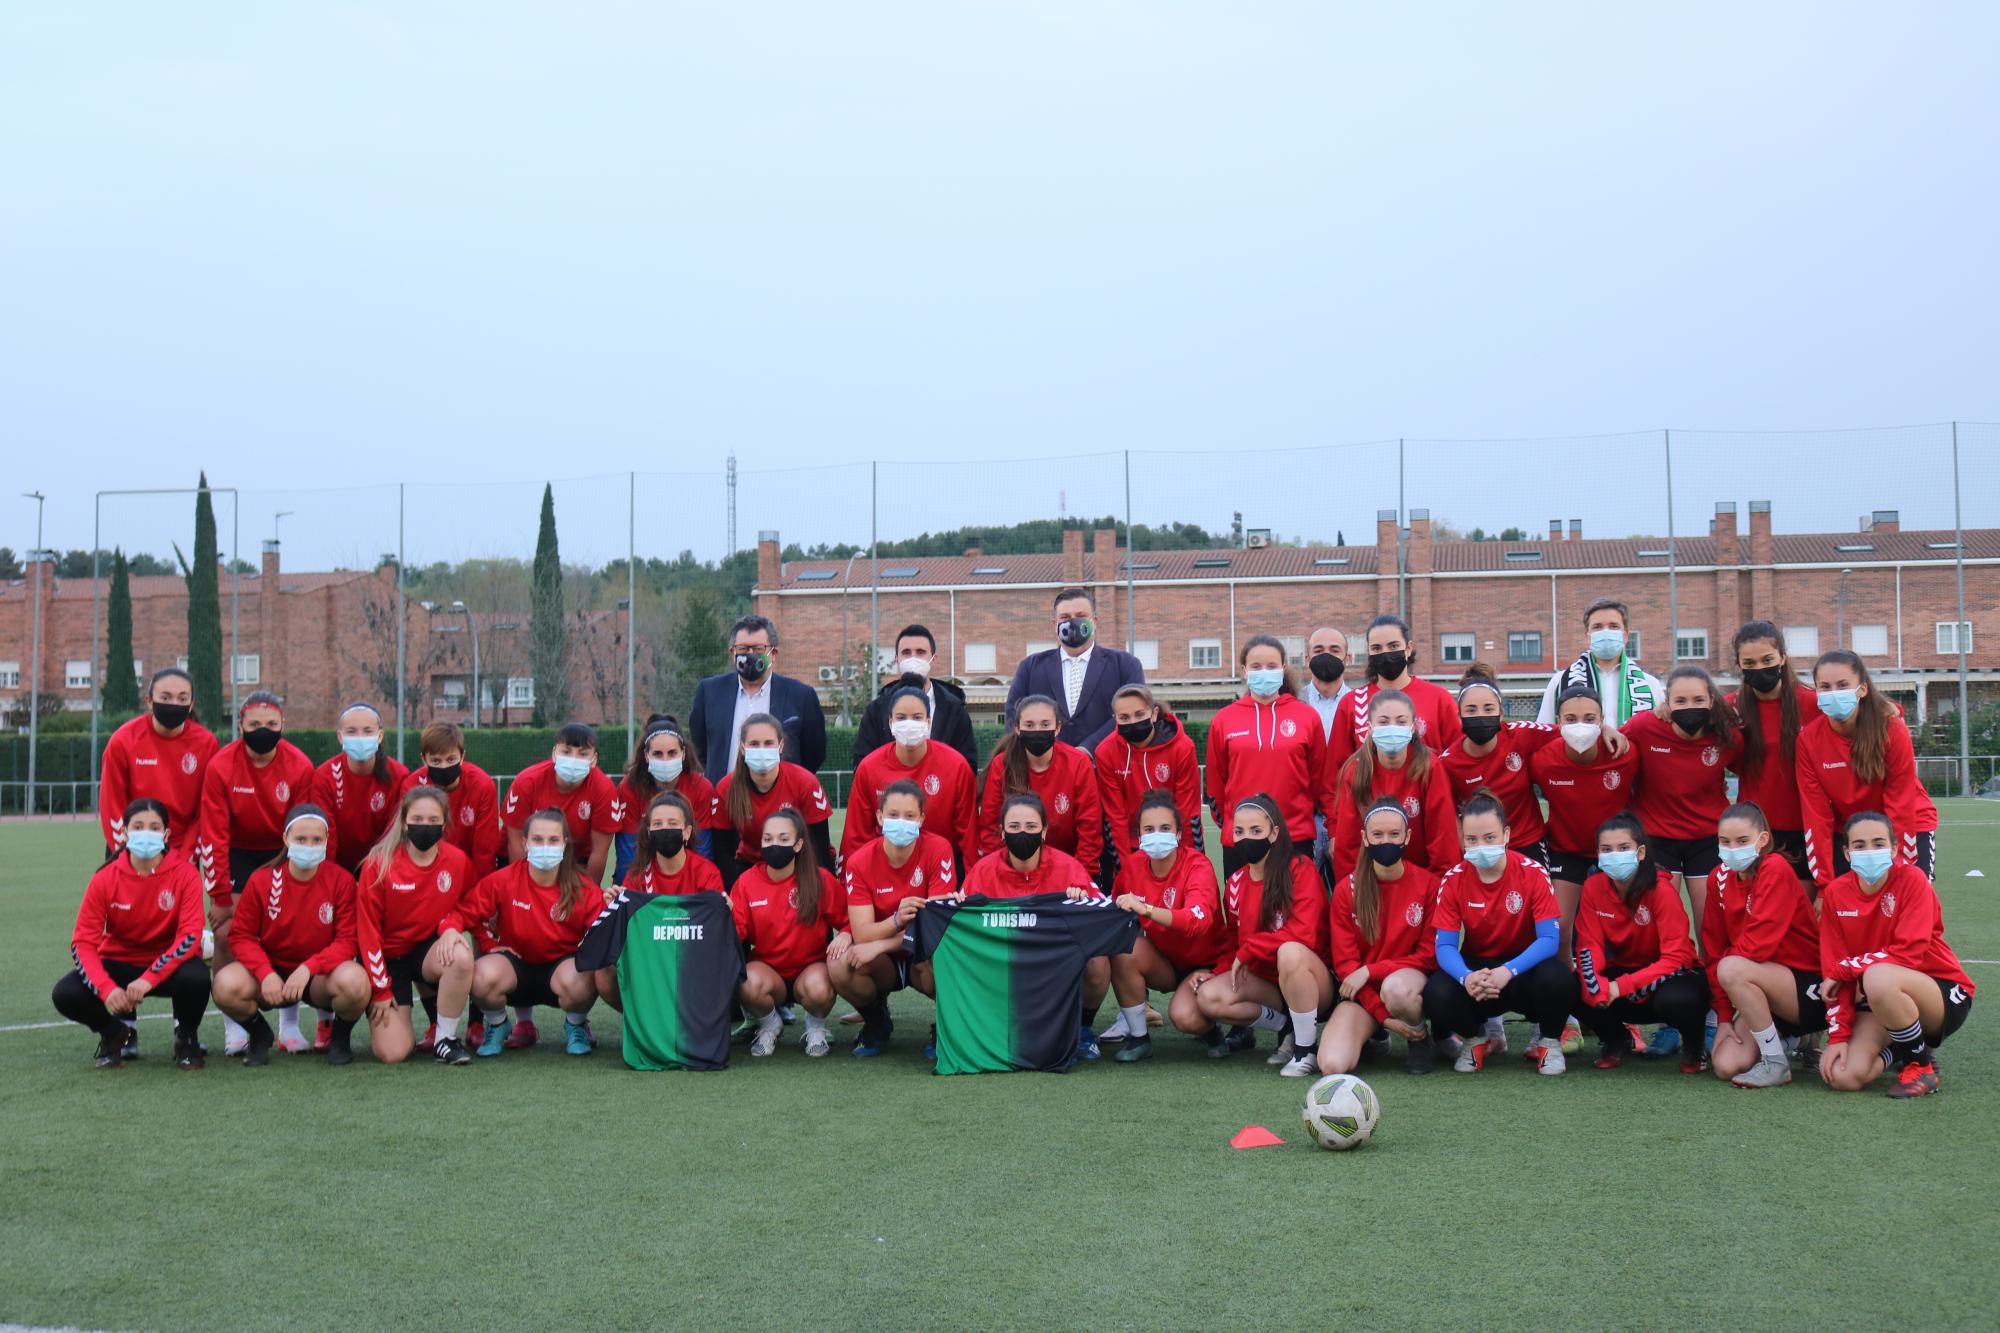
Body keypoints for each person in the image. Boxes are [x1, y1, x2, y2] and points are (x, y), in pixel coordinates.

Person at [1816, 812, 1975, 1099]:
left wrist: (1848, 968)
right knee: (1843, 1075)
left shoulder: (1913, 879)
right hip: (1882, 996)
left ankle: (1921, 1067)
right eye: (1860, 845)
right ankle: (1904, 1047)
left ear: (1894, 848)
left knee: (1877, 976)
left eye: (1878, 844)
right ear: (1847, 853)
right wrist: (1838, 1036)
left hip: (1940, 992)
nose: (1869, 851)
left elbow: (1908, 953)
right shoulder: (1836, 894)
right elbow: (1834, 971)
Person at [196, 691, 317, 1056]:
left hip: (283, 850)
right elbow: (214, 835)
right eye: (254, 724)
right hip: (237, 854)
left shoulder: (299, 766)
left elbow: (303, 825)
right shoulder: (221, 766)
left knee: (289, 931)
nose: (263, 729)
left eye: (271, 724)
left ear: (283, 725)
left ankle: (289, 1026)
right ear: (240, 725)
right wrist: (219, 896)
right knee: (225, 934)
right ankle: (235, 1027)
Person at [1422, 792, 1573, 1075]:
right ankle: (1475, 1039)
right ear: (1462, 839)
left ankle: (1549, 1043)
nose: (1480, 846)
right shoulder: (1454, 878)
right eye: (1472, 839)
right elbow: (1444, 946)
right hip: (1479, 972)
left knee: (1559, 979)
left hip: (1523, 970)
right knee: (1436, 992)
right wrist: (1466, 977)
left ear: (1506, 835)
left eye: (1489, 838)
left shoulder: (1533, 872)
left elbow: (1549, 940)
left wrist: (1508, 970)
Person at [52, 799, 208, 1070]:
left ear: (166, 835)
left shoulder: (186, 874)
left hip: (165, 967)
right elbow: (82, 942)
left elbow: (190, 937)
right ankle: (113, 1033)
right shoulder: (104, 877)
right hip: (119, 962)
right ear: (124, 833)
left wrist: (149, 978)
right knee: (66, 993)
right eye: (138, 827)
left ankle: (186, 1039)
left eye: (154, 827)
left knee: (197, 977)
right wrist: (107, 988)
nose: (146, 833)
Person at [211, 806, 370, 1067]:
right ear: (286, 839)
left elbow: (348, 941)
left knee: (356, 983)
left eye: (317, 840)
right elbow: (241, 935)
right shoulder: (262, 880)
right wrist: (265, 973)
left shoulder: (341, 880)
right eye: (301, 839)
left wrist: (309, 968)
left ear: (327, 841)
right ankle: (260, 1034)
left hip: (317, 978)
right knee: (224, 985)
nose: (309, 846)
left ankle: (340, 1039)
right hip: (272, 975)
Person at [1194, 795, 1332, 1077]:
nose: (1247, 838)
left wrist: (1250, 949)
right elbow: (1233, 942)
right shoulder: (1235, 883)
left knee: (1290, 952)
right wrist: (1217, 971)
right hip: (1267, 984)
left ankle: (1306, 1049)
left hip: (1314, 982)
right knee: (1209, 997)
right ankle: (1285, 1025)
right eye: (1239, 831)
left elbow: (1304, 935)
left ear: (1274, 833)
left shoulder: (1300, 869)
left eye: (1256, 830)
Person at [961, 794, 1105, 1057]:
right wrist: (958, 905)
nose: (1022, 833)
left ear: (1044, 831)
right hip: (1001, 964)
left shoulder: (1068, 868)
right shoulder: (982, 871)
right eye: (1014, 827)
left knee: (1098, 963)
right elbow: (959, 923)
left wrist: (1082, 902)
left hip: (1054, 965)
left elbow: (1102, 914)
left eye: (1031, 826)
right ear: (1002, 831)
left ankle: (1083, 1028)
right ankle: (976, 1026)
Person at [1094, 792, 1231, 1062]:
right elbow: (1114, 909)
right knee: (1124, 950)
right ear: (1139, 836)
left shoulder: (1197, 865)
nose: (1157, 835)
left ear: (1179, 834)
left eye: (1165, 828)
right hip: (1165, 961)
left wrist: (1146, 909)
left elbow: (1197, 921)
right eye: (1149, 829)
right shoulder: (1133, 866)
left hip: (1209, 963)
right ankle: (1139, 1038)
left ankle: (1211, 1028)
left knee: (1185, 1018)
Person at [1319, 800, 1451, 1077]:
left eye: (1394, 834)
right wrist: (1383, 1017)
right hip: (1364, 995)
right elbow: (1346, 966)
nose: (1386, 841)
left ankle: (1418, 1036)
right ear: (1365, 837)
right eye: (1377, 835)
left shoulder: (1429, 885)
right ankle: (1378, 1035)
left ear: (1407, 837)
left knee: (1395, 989)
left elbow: (1429, 956)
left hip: (1406, 985)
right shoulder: (1346, 890)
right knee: (1332, 1064)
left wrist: (1371, 970)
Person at [1571, 814, 1708, 1073]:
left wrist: (1620, 986)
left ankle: (1694, 1045)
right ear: (1598, 854)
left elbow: (1677, 957)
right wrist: (1597, 986)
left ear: (1641, 852)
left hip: (1670, 977)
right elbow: (1589, 946)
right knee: (1572, 987)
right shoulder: (1592, 887)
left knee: (1680, 998)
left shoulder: (1661, 890)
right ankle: (1615, 1039)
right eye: (1606, 849)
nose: (1615, 855)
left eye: (1623, 847)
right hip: (1623, 972)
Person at [831, 780, 959, 1057]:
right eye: (893, 815)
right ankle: (876, 1021)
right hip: (884, 962)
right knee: (839, 965)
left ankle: (946, 1027)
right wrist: (897, 920)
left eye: (910, 816)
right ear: (879, 817)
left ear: (922, 819)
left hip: (921, 954)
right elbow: (862, 933)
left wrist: (882, 943)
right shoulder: (860, 861)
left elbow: (937, 927)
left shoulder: (938, 849)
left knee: (941, 956)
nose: (901, 822)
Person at [462, 809, 605, 1058]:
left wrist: (584, 953)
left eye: (553, 840)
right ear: (525, 843)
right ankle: (497, 1023)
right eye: (537, 839)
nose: (545, 847)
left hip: (561, 969)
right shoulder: (503, 879)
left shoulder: (583, 887)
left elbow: (602, 933)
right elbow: (465, 913)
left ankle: (576, 1024)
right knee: (480, 976)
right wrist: (486, 942)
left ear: (564, 843)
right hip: (515, 968)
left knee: (588, 977)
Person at [1704, 802, 1827, 1089]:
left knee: (1732, 968)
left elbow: (1756, 948)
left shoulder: (1774, 867)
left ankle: (1775, 1062)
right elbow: (1713, 951)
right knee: (1725, 1064)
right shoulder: (1718, 879)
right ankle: (1791, 1039)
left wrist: (1727, 967)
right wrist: (1724, 1018)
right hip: (1763, 990)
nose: (1733, 849)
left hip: (1807, 987)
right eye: (1725, 842)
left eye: (1742, 841)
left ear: (1762, 840)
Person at [355, 787, 478, 1065]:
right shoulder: (379, 863)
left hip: (426, 952)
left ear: (444, 824)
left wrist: (452, 925)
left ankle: (444, 1040)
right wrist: (380, 989)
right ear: (403, 822)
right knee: (393, 1053)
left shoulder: (457, 861)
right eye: (418, 819)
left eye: (433, 820)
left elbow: (473, 903)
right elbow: (368, 933)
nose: (425, 826)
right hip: (387, 960)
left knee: (460, 955)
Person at [1797, 651, 1938, 892]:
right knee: (1847, 907)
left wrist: (1900, 870)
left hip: (1908, 826)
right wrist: (1824, 885)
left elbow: (1900, 804)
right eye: (1825, 687)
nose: (1834, 693)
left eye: (1843, 685)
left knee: (1907, 900)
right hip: (1851, 832)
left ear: (1862, 689)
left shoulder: (1892, 730)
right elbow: (1816, 816)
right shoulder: (1808, 740)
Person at [1528, 685, 1643, 963]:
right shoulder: (1542, 761)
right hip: (1566, 851)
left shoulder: (1625, 754)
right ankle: (1568, 988)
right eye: (1571, 719)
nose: (1580, 726)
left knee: (1624, 930)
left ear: (1602, 721)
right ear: (1558, 722)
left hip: (1615, 853)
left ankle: (1622, 983)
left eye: (1590, 719)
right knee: (1560, 929)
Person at [1622, 665, 1738, 933]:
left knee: (1711, 926)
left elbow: (1748, 765)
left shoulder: (1726, 733)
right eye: (1681, 701)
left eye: (1698, 700)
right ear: (1667, 702)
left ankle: (1710, 963)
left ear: (1711, 700)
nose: (1690, 707)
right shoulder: (1644, 726)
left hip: (1708, 838)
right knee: (1661, 927)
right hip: (1657, 838)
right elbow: (1612, 743)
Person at [1204, 635, 1327, 878]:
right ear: (1244, 670)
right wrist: (1236, 825)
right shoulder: (1224, 719)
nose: (1264, 672)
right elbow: (1216, 786)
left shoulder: (1307, 716)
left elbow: (1318, 780)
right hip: (1241, 840)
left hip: (1294, 837)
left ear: (1283, 668)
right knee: (1243, 904)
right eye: (1256, 666)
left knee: (1295, 902)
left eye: (1271, 666)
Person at [731, 808, 848, 1058]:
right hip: (768, 969)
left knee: (819, 989)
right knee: (745, 982)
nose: (775, 844)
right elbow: (736, 932)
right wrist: (722, 920)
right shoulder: (746, 882)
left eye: (783, 839)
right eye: (768, 839)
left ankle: (815, 1028)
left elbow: (848, 920)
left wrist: (846, 934)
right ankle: (770, 1025)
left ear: (798, 844)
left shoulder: (819, 879)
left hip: (811, 968)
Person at [1327, 688, 1459, 882]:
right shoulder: (1355, 771)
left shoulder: (1429, 767)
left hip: (1422, 880)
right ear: (1369, 728)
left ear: (1412, 727)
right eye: (1383, 722)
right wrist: (1352, 889)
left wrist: (1438, 888)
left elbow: (1442, 838)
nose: (1392, 728)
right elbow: (1348, 845)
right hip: (1370, 880)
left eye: (1401, 722)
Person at [1437, 665, 1566, 861]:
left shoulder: (1521, 734)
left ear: (1501, 713)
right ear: (1459, 716)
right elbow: (1450, 813)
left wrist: (1604, 730)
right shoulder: (1448, 763)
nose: (1480, 715)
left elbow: (1571, 731)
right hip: (1481, 849)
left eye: (1489, 708)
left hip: (1527, 842)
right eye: (1471, 710)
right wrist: (1464, 845)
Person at [1726, 621, 1819, 881]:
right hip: (1754, 831)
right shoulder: (1730, 708)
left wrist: (1891, 710)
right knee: (1759, 905)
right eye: (1749, 663)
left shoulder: (1812, 703)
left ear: (1782, 658)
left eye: (1767, 660)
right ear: (1739, 665)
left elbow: (1870, 711)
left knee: (1803, 907)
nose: (1759, 668)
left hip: (1805, 827)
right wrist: (1664, 709)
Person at [842, 689, 977, 867]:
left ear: (929, 722)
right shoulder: (868, 768)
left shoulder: (956, 766)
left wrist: (974, 881)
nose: (909, 724)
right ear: (890, 723)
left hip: (944, 865)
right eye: (901, 718)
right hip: (885, 866)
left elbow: (969, 836)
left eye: (917, 717)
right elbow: (856, 837)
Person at [687, 614, 828, 782]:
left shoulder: (801, 696)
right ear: (732, 653)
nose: (750, 654)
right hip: (724, 794)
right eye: (743, 649)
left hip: (781, 795)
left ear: (773, 653)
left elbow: (814, 754)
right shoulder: (709, 692)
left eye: (758, 649)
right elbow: (701, 748)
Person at [1004, 587, 1146, 752]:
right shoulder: (1030, 667)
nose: (1073, 622)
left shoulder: (1125, 664)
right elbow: (1013, 717)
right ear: (1055, 625)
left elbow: (1133, 714)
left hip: (1106, 762)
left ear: (1094, 621)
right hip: (1048, 763)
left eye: (1080, 616)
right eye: (1065, 617)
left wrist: (1087, 750)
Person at [98, 666, 218, 859]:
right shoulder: (123, 740)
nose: (174, 703)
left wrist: (185, 856)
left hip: (180, 852)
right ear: (149, 701)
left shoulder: (206, 744)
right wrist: (127, 852)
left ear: (191, 704)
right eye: (166, 697)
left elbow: (205, 809)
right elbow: (111, 804)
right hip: (132, 847)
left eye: (182, 698)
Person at [707, 713, 836, 886]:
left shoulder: (806, 783)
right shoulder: (725, 788)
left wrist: (817, 887)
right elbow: (722, 852)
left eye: (768, 743)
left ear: (780, 746)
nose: (761, 750)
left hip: (798, 865)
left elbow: (819, 846)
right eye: (754, 744)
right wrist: (736, 890)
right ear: (743, 748)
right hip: (750, 866)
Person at [1325, 614, 1463, 775]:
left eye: (1393, 646)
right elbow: (1335, 770)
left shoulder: (1439, 698)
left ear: (1408, 649)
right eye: (1376, 648)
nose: (1385, 653)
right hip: (1366, 791)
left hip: (1428, 789)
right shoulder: (1352, 702)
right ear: (1369, 652)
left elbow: (1459, 756)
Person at [977, 695, 1103, 870]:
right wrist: (1002, 870)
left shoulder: (1078, 763)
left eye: (1045, 725)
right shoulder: (1002, 765)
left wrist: (1080, 874)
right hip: (1015, 867)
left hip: (1068, 866)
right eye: (1029, 725)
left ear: (1057, 728)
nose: (1037, 731)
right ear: (1017, 728)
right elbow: (990, 828)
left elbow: (1090, 828)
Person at [1096, 684, 1203, 867]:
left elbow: (1187, 812)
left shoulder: (1183, 748)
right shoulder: (1105, 752)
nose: (1132, 722)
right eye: (1124, 717)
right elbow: (1115, 817)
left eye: (1139, 715)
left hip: (1171, 839)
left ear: (1153, 714)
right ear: (1115, 719)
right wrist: (1126, 868)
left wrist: (1187, 864)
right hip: (1131, 844)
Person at [502, 722, 620, 883]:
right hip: (528, 855)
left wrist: (589, 894)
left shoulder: (604, 790)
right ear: (554, 754)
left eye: (583, 754)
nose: (573, 759)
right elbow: (515, 842)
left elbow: (599, 853)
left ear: (594, 760)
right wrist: (523, 888)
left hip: (576, 860)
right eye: (566, 752)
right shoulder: (526, 782)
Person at [852, 624, 979, 772]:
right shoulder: (877, 710)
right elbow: (863, 765)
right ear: (897, 659)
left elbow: (967, 766)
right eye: (906, 653)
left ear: (933, 658)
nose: (913, 659)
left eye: (920, 652)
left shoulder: (955, 710)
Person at [612, 715, 715, 883]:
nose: (665, 760)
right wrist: (630, 892)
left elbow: (703, 850)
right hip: (644, 877)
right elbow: (628, 853)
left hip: (688, 878)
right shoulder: (629, 787)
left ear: (683, 753)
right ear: (646, 755)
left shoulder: (701, 788)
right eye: (658, 754)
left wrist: (699, 889)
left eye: (672, 753)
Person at [310, 703, 408, 875]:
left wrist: (376, 874)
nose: (360, 737)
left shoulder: (399, 775)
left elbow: (395, 835)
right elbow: (325, 833)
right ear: (340, 737)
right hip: (337, 865)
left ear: (379, 736)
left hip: (382, 866)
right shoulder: (325, 776)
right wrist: (328, 878)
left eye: (368, 731)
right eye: (351, 731)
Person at [1535, 596, 1661, 727]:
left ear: (1625, 636)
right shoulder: (1560, 681)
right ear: (1587, 636)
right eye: (1597, 627)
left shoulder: (1650, 684)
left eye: (1614, 626)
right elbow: (1544, 730)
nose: (1606, 632)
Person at [396, 721, 501, 872]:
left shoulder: (482, 785)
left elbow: (485, 850)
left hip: (467, 872)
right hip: (425, 870)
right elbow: (405, 841)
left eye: (451, 759)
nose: (444, 766)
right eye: (436, 761)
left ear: (462, 756)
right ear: (424, 759)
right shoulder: (412, 786)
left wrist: (479, 885)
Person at [621, 792, 726, 898]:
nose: (665, 828)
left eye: (673, 823)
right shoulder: (637, 876)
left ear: (687, 832)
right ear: (649, 832)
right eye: (657, 823)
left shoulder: (707, 874)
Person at [1298, 624, 1353, 740]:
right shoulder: (1293, 701)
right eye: (1318, 651)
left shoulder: (1360, 704)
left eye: (1335, 650)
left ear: (1348, 659)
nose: (1326, 655)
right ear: (1307, 660)